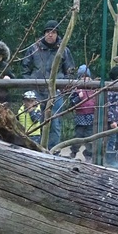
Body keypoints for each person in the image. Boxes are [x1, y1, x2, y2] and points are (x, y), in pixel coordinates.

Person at [21, 19, 75, 149]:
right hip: (36, 92)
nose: (50, 34)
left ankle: (53, 152)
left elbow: (71, 72)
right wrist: (31, 88)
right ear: (44, 33)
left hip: (55, 93)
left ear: (57, 34)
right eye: (48, 32)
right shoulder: (34, 48)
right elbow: (24, 69)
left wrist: (62, 88)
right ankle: (35, 150)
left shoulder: (64, 50)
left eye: (53, 32)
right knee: (35, 122)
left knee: (55, 122)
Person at [69, 64, 98, 161]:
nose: (85, 79)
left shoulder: (94, 88)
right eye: (82, 77)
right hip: (80, 116)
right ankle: (73, 152)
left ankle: (88, 154)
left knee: (90, 137)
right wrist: (78, 97)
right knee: (78, 135)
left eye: (87, 76)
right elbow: (71, 103)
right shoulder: (76, 89)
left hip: (91, 115)